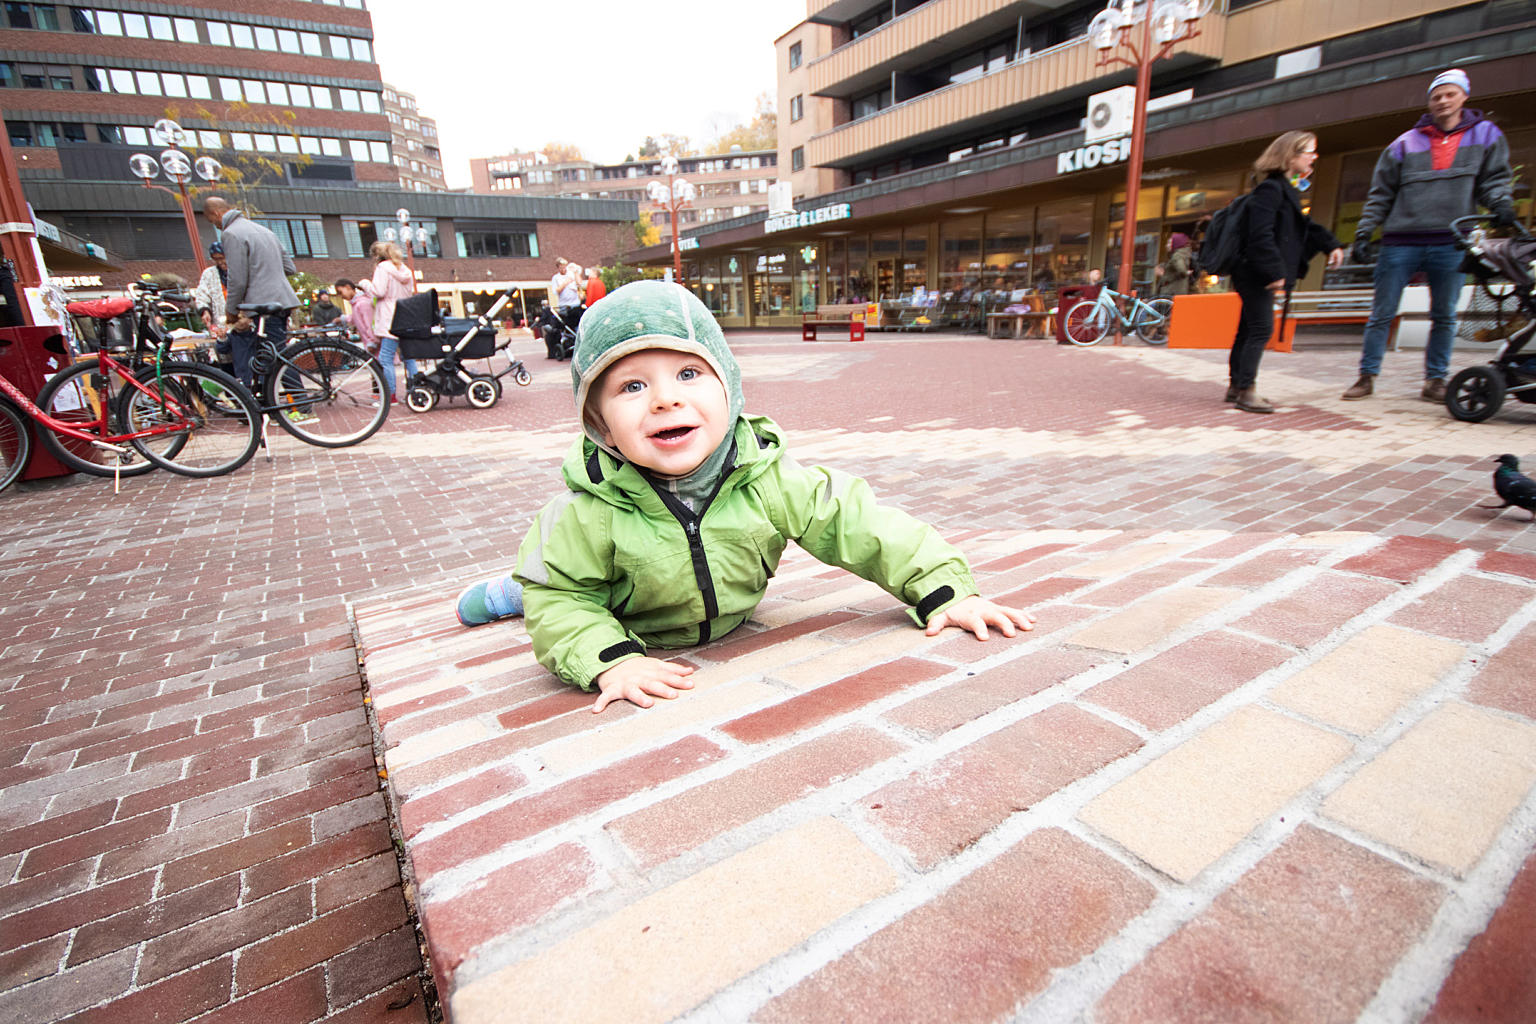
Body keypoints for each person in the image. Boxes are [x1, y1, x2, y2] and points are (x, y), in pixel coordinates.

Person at [454, 280, 1035, 713]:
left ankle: (518, 587)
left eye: (688, 375)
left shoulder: (767, 478)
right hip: (621, 615)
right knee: (542, 584)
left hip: (724, 614)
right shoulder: (585, 513)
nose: (664, 401)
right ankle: (508, 591)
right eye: (632, 387)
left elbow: (861, 523)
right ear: (600, 424)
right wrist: (612, 661)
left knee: (555, 579)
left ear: (728, 391)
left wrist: (945, 590)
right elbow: (564, 599)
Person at [1343, 68, 1516, 403]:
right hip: (1400, 240)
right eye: (1436, 96)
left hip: (1452, 241)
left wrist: (1502, 205)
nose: (1442, 101)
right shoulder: (1405, 143)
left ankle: (1435, 380)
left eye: (1450, 94)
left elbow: (1495, 180)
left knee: (1444, 315)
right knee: (1382, 312)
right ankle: (1366, 376)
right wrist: (1365, 232)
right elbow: (1381, 193)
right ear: (1429, 102)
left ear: (1464, 96)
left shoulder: (1485, 135)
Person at [1226, 131, 1346, 414]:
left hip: (1254, 270)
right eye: (1309, 151)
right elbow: (1260, 235)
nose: (1314, 156)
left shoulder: (1286, 189)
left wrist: (1331, 245)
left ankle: (1237, 386)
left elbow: (1306, 226)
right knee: (1261, 328)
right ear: (1290, 155)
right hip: (1255, 271)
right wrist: (1274, 271)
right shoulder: (1271, 190)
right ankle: (1246, 390)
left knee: (1248, 328)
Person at [204, 196, 298, 387]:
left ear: (215, 213)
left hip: (262, 304)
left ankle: (300, 404)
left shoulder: (231, 234)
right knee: (272, 353)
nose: (214, 224)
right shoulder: (264, 230)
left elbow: (237, 278)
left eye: (211, 220)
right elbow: (290, 268)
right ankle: (273, 401)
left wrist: (230, 311)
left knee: (276, 356)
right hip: (282, 299)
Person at [369, 240, 420, 402]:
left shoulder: (382, 268)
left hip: (390, 318)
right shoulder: (404, 269)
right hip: (405, 315)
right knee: (409, 356)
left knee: (385, 358)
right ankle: (417, 389)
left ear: (377, 256)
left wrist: (365, 284)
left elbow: (379, 291)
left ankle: (390, 395)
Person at [192, 242, 227, 361]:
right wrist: (204, 310)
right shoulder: (209, 274)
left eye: (222, 258)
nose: (220, 262)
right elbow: (202, 295)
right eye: (216, 259)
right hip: (220, 322)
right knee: (223, 353)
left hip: (238, 320)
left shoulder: (239, 271)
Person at [333, 278, 378, 355]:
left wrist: (372, 342)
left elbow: (370, 324)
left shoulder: (362, 303)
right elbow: (356, 318)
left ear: (348, 287)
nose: (341, 296)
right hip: (372, 345)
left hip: (375, 347)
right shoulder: (357, 303)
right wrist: (342, 319)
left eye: (340, 292)